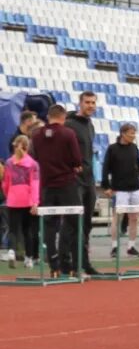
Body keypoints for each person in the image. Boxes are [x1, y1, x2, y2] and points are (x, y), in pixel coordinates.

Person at [29, 105, 83, 277]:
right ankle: (73, 266)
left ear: (48, 116)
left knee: (49, 226)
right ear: (63, 116)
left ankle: (54, 266)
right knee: (73, 223)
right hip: (67, 184)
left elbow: (34, 157)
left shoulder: (36, 135)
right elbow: (77, 160)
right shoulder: (68, 133)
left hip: (47, 185)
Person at [100, 123, 139, 258]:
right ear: (123, 133)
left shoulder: (134, 148)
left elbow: (138, 164)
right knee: (117, 218)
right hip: (120, 189)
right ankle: (114, 247)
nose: (133, 136)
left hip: (135, 189)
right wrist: (106, 186)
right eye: (131, 133)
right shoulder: (112, 149)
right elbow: (105, 168)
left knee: (134, 218)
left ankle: (131, 246)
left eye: (134, 133)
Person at [64, 91, 100, 276]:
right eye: (87, 102)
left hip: (89, 181)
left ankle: (84, 263)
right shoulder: (69, 125)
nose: (91, 105)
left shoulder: (90, 125)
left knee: (86, 224)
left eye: (93, 102)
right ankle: (69, 263)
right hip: (74, 181)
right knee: (72, 224)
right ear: (80, 103)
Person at [3, 134, 40, 269]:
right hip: (28, 200)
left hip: (13, 199)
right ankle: (28, 259)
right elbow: (34, 183)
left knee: (13, 229)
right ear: (28, 147)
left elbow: (6, 183)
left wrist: (9, 195)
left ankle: (12, 251)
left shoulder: (8, 162)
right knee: (28, 230)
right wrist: (35, 202)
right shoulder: (33, 164)